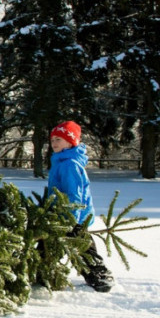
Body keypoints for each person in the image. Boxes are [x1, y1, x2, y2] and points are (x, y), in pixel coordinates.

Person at [48, 121, 114, 292]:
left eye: (59, 139)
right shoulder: (61, 162)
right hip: (62, 215)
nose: (54, 143)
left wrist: (72, 218)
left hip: (73, 217)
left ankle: (101, 277)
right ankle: (45, 274)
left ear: (70, 142)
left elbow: (74, 194)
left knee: (84, 247)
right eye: (52, 139)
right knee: (51, 245)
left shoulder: (70, 165)